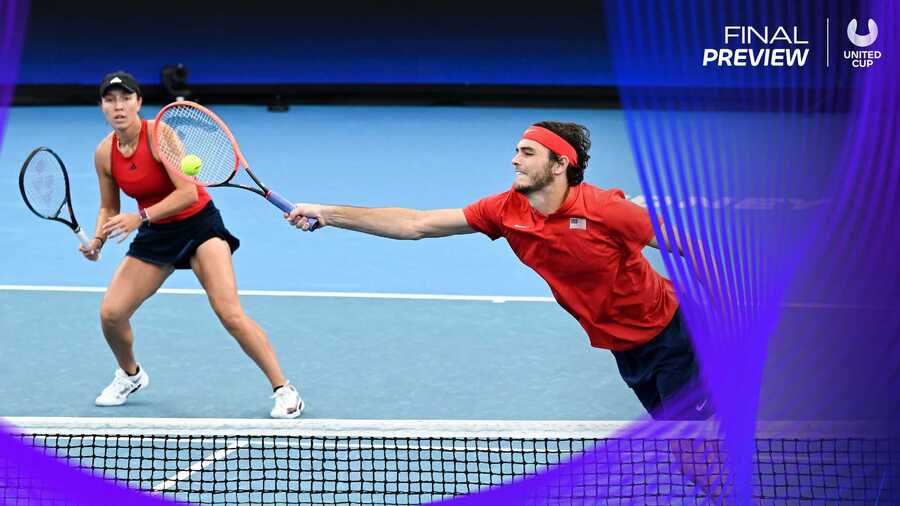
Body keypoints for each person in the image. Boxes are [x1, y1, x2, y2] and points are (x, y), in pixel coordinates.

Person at [287, 121, 711, 421]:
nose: (514, 160)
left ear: (560, 164)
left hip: (672, 334)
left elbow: (688, 245)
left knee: (691, 450)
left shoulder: (605, 210)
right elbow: (416, 224)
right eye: (516, 151)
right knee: (689, 445)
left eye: (527, 153)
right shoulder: (505, 211)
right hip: (624, 346)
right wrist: (328, 213)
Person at [79, 71, 303, 418]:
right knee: (111, 314)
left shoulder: (159, 135)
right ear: (102, 107)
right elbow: (109, 206)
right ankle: (130, 374)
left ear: (138, 102)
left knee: (229, 312)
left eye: (126, 98)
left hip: (199, 225)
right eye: (111, 100)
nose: (118, 106)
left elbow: (186, 194)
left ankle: (284, 390)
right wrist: (97, 240)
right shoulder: (104, 153)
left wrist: (139, 218)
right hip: (157, 233)